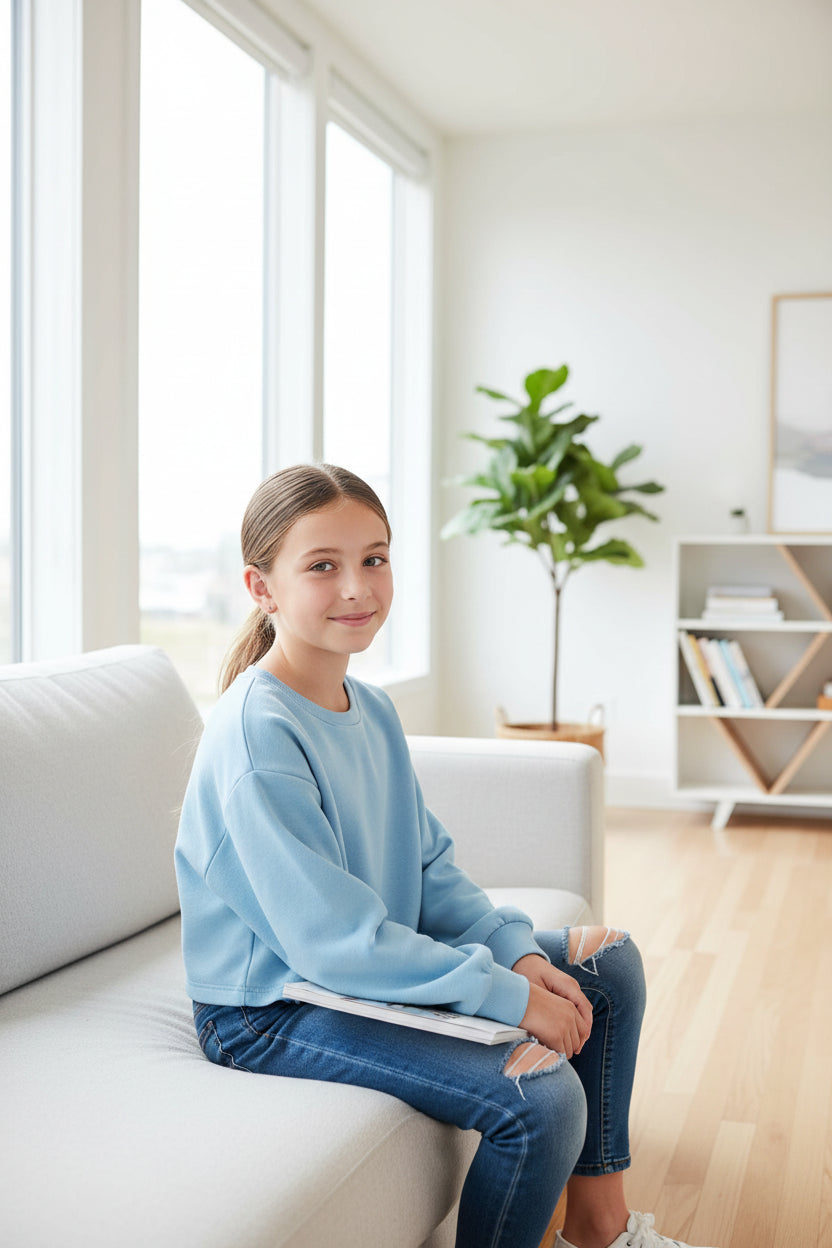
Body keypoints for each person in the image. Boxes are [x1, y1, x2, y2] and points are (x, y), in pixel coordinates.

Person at [175, 463, 715, 1248]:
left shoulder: (371, 706)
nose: (358, 587)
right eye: (323, 566)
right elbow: (334, 945)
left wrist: (514, 953)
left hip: (348, 969)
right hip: (272, 1005)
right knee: (542, 1101)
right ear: (262, 587)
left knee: (610, 965)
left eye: (376, 557)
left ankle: (601, 1231)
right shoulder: (258, 733)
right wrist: (504, 996)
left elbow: (426, 864)